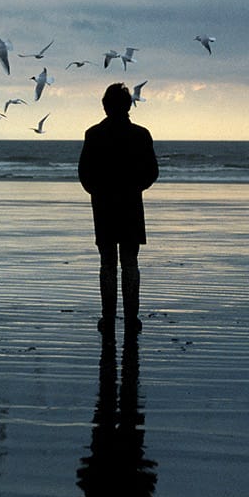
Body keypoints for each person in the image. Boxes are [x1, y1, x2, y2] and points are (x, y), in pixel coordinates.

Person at [78, 82, 159, 334]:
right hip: (131, 203)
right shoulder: (141, 134)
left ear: (105, 106)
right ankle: (132, 317)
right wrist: (135, 187)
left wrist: (99, 191)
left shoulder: (93, 134)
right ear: (128, 106)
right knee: (130, 261)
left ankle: (108, 317)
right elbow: (152, 172)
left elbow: (84, 174)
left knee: (107, 262)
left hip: (103, 205)